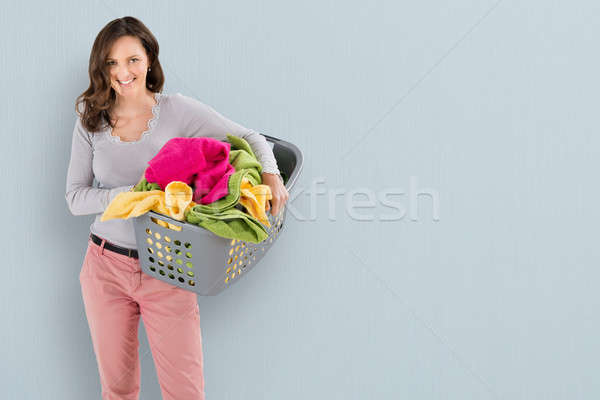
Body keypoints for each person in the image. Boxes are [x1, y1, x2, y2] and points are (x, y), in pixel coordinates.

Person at [65, 16, 289, 400]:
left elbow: (250, 137)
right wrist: (134, 196)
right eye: (112, 63)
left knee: (185, 392)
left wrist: (271, 176)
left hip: (168, 267)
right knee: (116, 391)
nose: (123, 72)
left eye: (132, 59)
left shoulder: (177, 110)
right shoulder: (90, 118)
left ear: (149, 59)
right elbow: (75, 197)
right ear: (101, 68)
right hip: (103, 268)